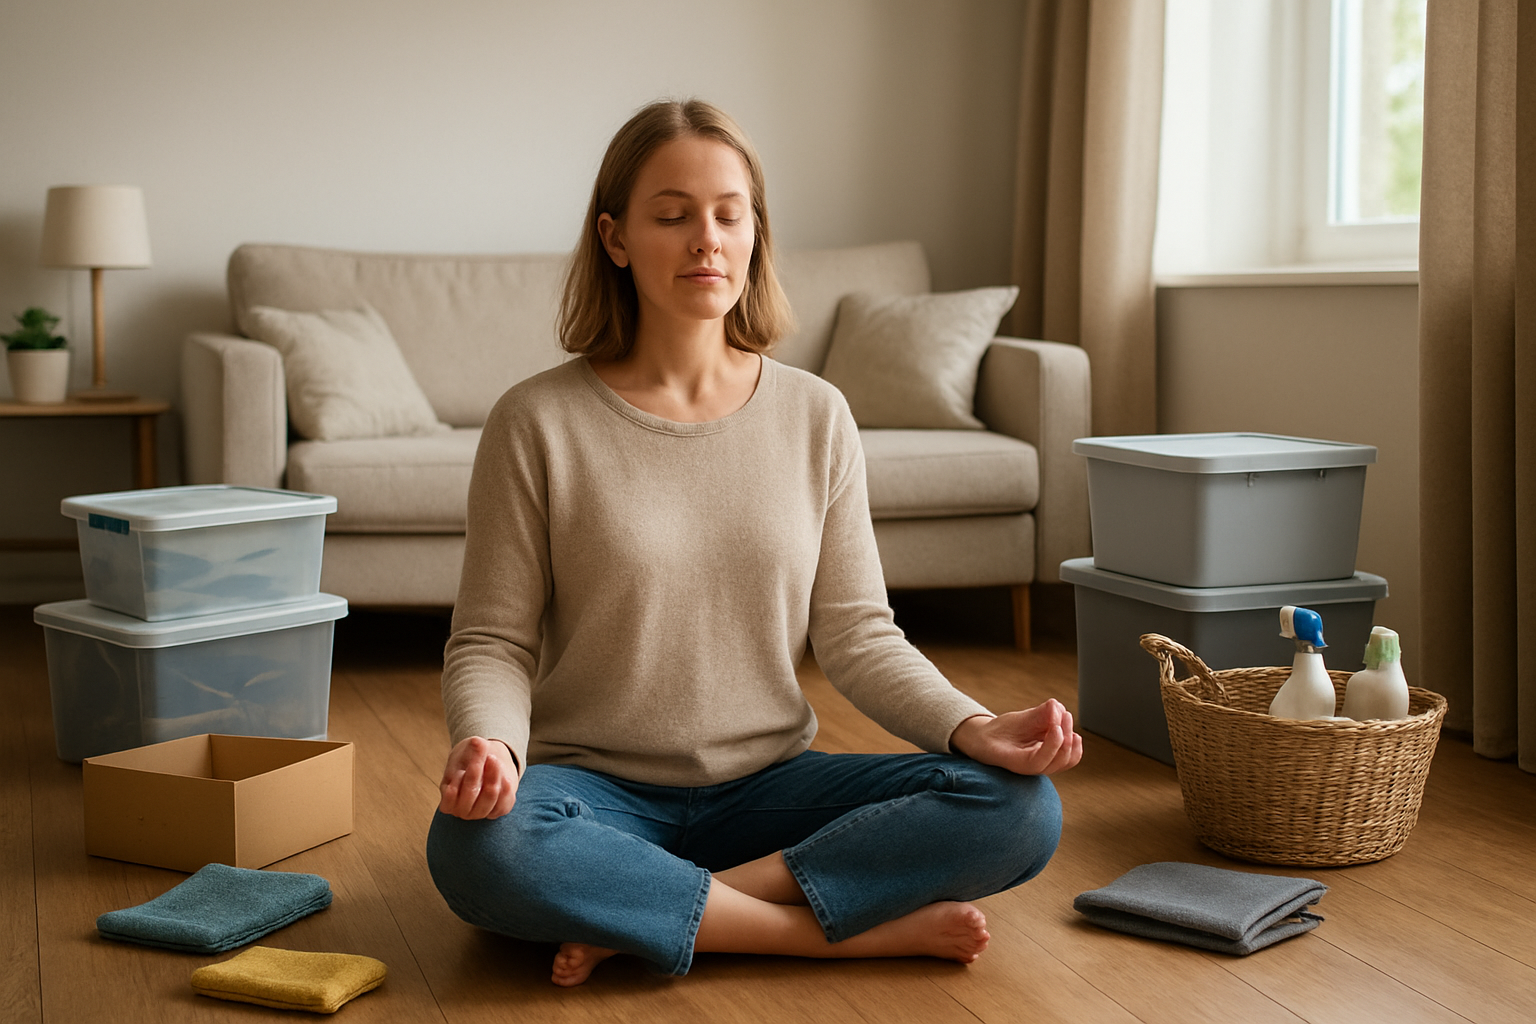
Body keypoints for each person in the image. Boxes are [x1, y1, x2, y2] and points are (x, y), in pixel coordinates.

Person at [426, 99, 1082, 988]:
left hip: (772, 788)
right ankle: (822, 933)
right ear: (615, 239)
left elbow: (857, 633)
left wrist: (971, 726)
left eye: (730, 214)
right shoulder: (536, 421)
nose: (707, 239)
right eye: (673, 215)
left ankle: (657, 913)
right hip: (596, 792)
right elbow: (493, 640)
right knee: (478, 849)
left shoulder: (817, 414)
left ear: (754, 233)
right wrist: (495, 748)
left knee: (1018, 809)